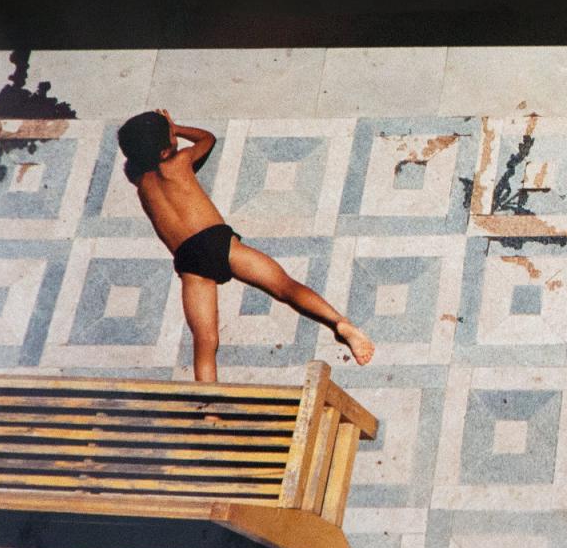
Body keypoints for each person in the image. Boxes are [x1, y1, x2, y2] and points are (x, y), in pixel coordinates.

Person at [117, 110, 374, 381]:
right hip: (216, 241)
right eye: (171, 138)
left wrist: (159, 136)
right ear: (165, 152)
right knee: (285, 287)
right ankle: (341, 324)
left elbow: (139, 160)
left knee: (205, 341)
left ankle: (210, 413)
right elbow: (207, 139)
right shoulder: (180, 162)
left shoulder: (141, 184)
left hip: (189, 260)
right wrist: (177, 127)